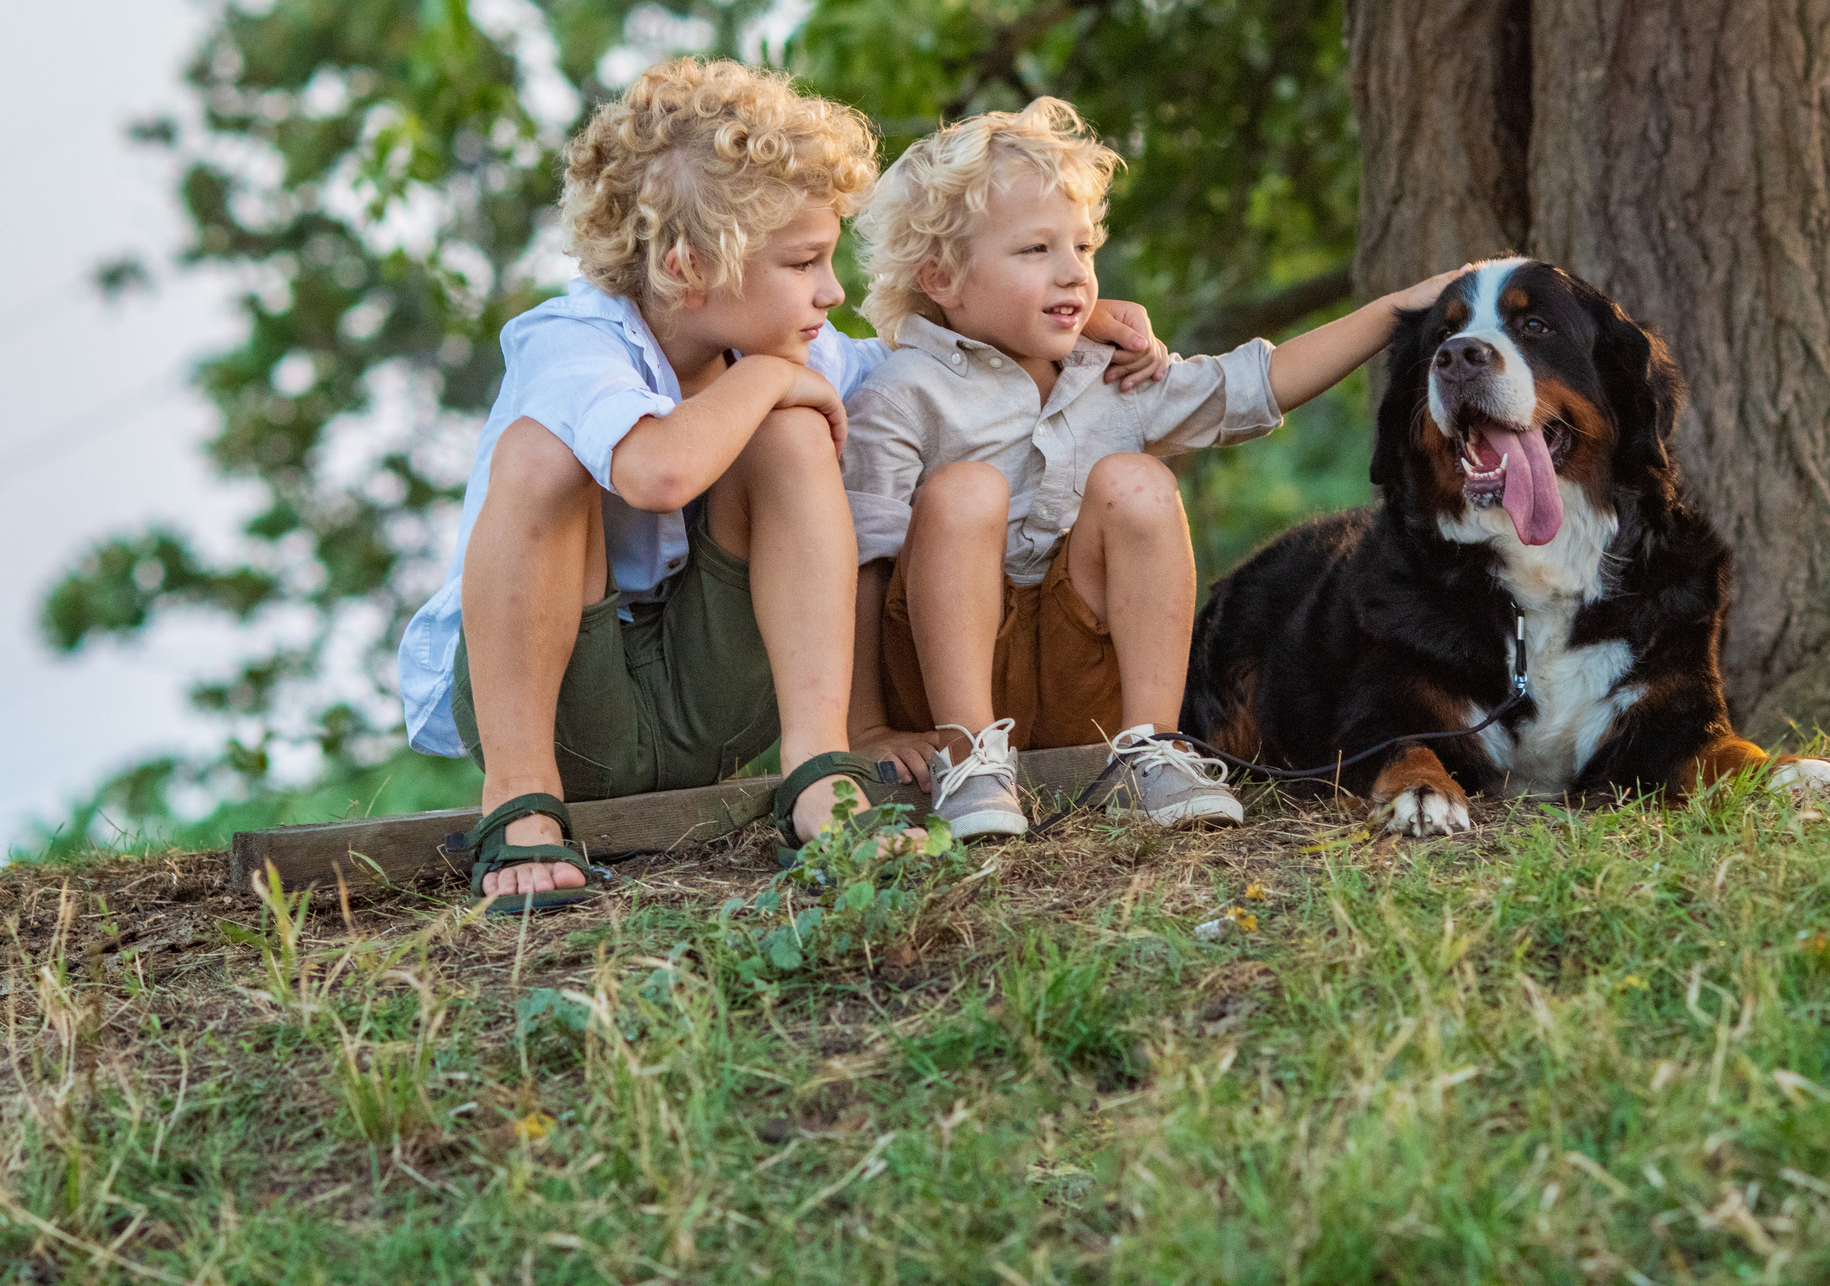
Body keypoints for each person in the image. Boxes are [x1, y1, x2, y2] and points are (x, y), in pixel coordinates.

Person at [395, 61, 1164, 910]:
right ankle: (519, 805)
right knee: (543, 453)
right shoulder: (573, 341)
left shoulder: (805, 345)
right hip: (570, 712)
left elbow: (935, 363)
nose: (832, 293)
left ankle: (818, 776)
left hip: (717, 700)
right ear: (690, 268)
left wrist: (1067, 311)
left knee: (798, 432)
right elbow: (654, 470)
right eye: (805, 262)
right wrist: (762, 378)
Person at [839, 97, 1466, 838]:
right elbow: (859, 568)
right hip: (944, 689)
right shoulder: (903, 391)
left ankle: (1150, 748)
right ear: (942, 277)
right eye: (1036, 250)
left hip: (1079, 685)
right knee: (965, 491)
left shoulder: (1114, 373)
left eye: (1083, 247)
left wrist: (1400, 307)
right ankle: (974, 761)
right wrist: (866, 730)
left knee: (1134, 481)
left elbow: (1258, 384)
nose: (1073, 273)